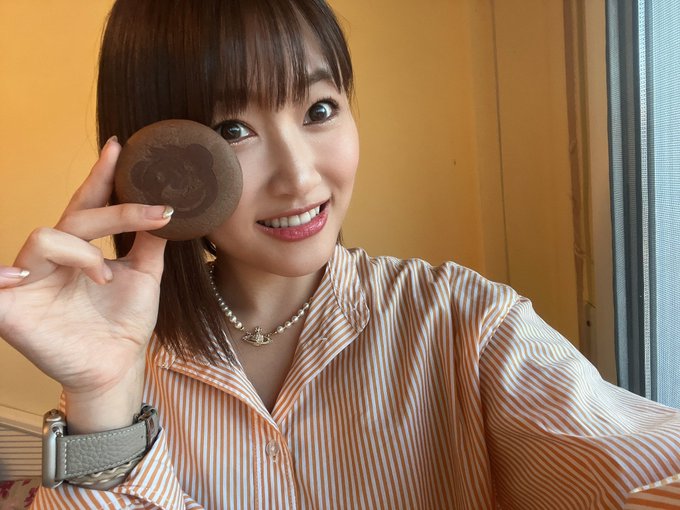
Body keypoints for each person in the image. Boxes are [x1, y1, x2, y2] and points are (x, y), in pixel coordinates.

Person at [0, 0, 679, 508]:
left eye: (319, 109)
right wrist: (102, 402)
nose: (300, 177)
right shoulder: (127, 361)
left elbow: (637, 461)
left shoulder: (465, 324)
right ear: (162, 162)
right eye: (231, 129)